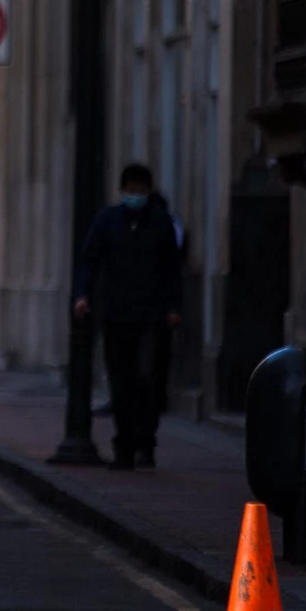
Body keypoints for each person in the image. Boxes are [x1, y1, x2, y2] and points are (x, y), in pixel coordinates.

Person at [73, 163, 184, 470]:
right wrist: (82, 294)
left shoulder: (161, 223)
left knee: (148, 378)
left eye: (141, 190)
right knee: (121, 382)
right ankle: (124, 447)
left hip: (151, 315)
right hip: (116, 314)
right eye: (130, 190)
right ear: (122, 191)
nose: (135, 196)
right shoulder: (108, 221)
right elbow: (89, 259)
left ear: (148, 191)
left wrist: (174, 306)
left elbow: (173, 269)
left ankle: (146, 442)